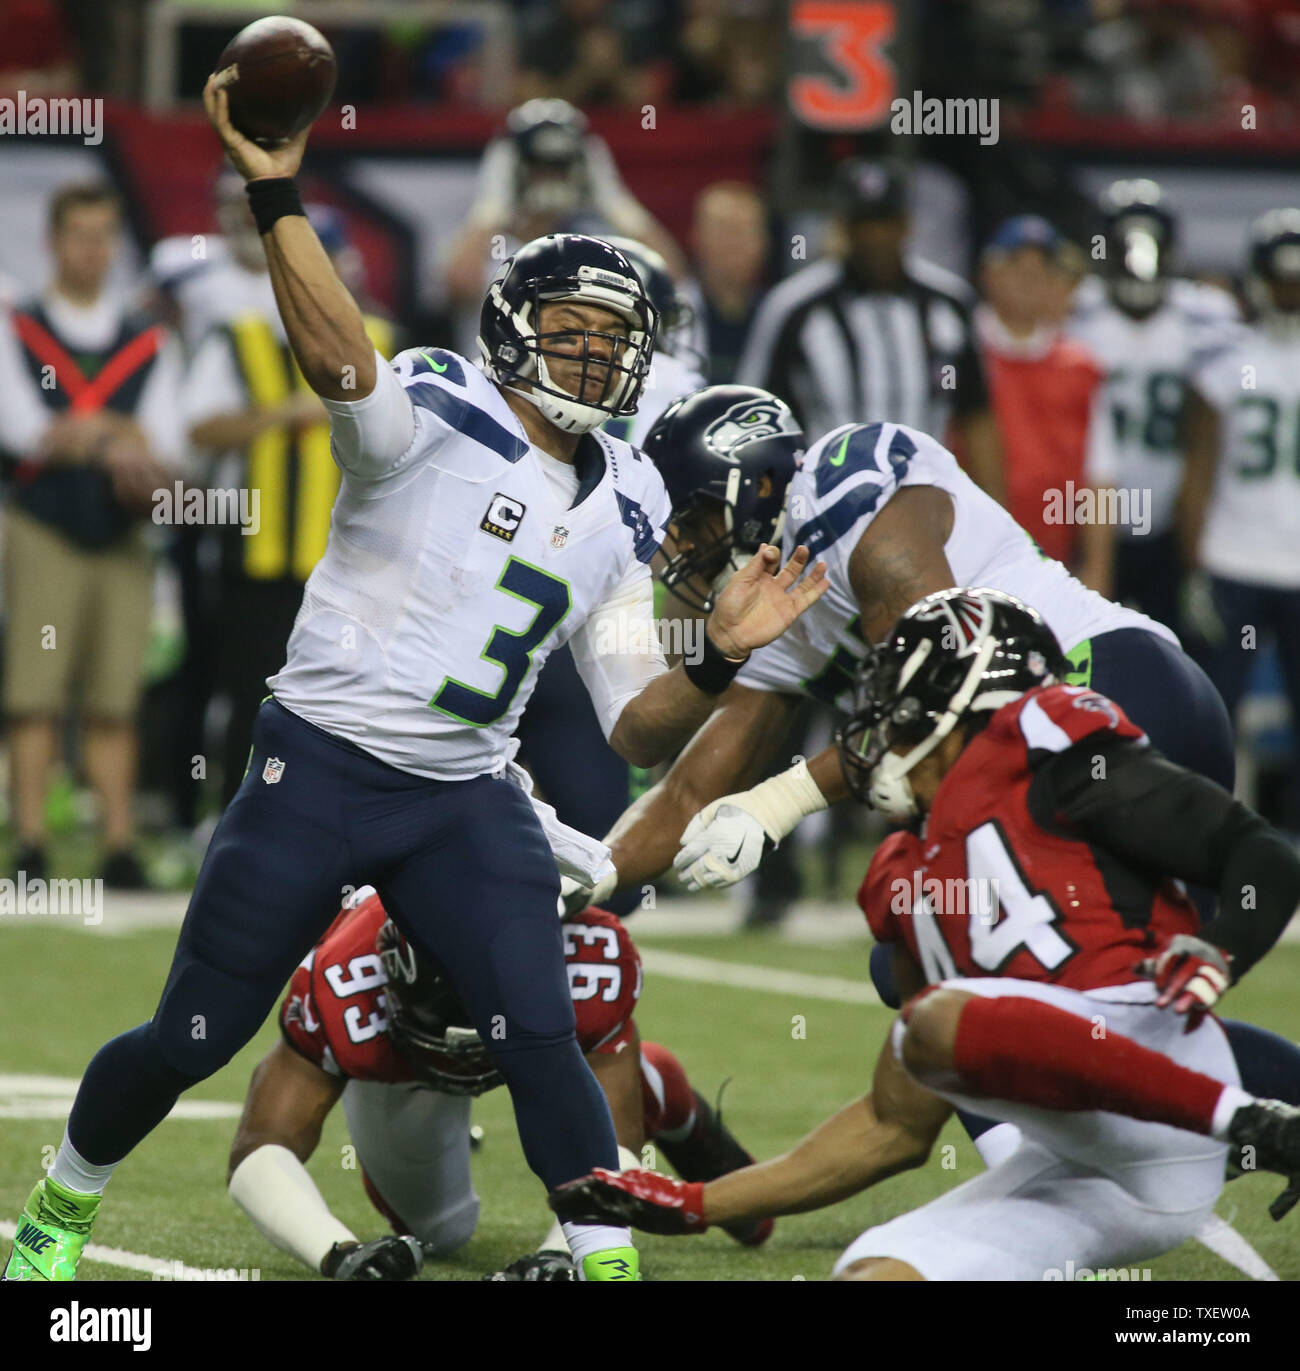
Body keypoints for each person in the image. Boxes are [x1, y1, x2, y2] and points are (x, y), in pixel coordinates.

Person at [1, 79, 827, 1285]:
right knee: (191, 1033)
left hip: (462, 790)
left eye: (611, 340)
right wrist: (276, 191)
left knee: (541, 1035)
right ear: (512, 329)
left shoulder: (628, 501)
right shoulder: (436, 404)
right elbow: (341, 363)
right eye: (571, 334)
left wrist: (723, 654)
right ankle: (55, 1212)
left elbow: (638, 721)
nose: (592, 357)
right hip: (321, 760)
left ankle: (606, 1262)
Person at [578, 385, 1300, 1151]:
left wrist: (783, 799)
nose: (684, 546)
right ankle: (1179, 1142)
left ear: (754, 484)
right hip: (1063, 735)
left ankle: (1029, 1174)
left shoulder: (842, 482)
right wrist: (582, 876)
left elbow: (947, 685)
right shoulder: (779, 596)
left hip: (1104, 693)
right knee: (1118, 999)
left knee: (941, 955)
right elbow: (688, 789)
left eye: (693, 518)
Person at [551, 590, 1300, 1279]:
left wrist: (1218, 949)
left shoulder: (1055, 753)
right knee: (874, 1270)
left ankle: (1257, 1118)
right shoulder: (906, 871)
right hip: (1078, 1161)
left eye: (904, 707)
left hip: (1163, 1070)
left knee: (933, 1019)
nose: (885, 730)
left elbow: (1259, 853)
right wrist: (695, 1203)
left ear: (970, 708)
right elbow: (891, 1125)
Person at [227, 886, 770, 1282]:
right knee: (441, 1229)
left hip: (541, 1043)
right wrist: (338, 1253)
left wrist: (564, 1254)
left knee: (606, 1126)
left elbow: (613, 1153)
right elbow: (261, 1144)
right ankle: (648, 1080)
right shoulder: (345, 979)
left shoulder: (584, 958)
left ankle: (654, 1083)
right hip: (408, 1073)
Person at [0, 181, 185, 888]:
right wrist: (117, 438)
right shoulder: (20, 325)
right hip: (44, 525)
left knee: (116, 696)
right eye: (80, 234)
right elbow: (23, 430)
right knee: (35, 692)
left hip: (121, 534)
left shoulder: (144, 336)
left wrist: (86, 435)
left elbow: (166, 442)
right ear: (53, 241)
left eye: (104, 235)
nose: (93, 249)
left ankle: (116, 843)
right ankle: (31, 842)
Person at [736, 158, 1005, 504]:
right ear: (842, 227)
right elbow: (757, 420)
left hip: (926, 502)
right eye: (863, 225)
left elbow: (977, 417)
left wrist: (997, 518)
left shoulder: (949, 304)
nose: (875, 238)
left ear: (906, 225)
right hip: (829, 504)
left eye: (885, 223)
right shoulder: (794, 308)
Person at [1069, 179, 1239, 636]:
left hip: (1170, 521)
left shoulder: (1206, 317)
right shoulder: (1073, 312)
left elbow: (1216, 425)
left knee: (1172, 653)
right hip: (1085, 519)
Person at [1182, 208, 1300, 830]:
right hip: (1233, 559)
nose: (1289, 292)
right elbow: (1198, 467)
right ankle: (1202, 838)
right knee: (1213, 713)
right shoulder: (1227, 357)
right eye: (1282, 279)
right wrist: (1193, 565)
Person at [975, 215, 1109, 586]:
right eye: (1017, 267)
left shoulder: (1081, 366)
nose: (1029, 281)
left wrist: (1097, 569)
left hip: (1052, 562)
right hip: (967, 556)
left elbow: (1099, 477)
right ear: (990, 274)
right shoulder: (963, 354)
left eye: (1042, 270)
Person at [683, 182, 770, 385]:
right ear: (695, 237)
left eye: (747, 231)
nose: (735, 244)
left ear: (765, 243)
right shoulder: (668, 317)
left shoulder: (781, 316)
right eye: (725, 230)